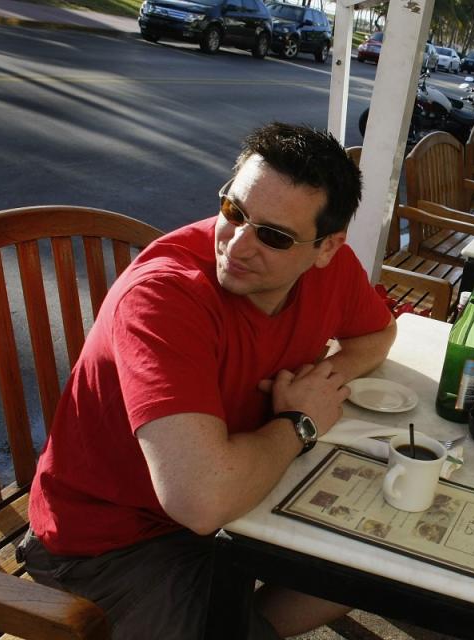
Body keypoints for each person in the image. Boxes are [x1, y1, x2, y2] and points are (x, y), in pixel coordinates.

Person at [19, 123, 397, 639]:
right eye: (234, 212)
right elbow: (201, 499)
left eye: (274, 235)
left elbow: (378, 333)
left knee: (380, 552)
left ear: (327, 248)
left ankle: (236, 622)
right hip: (105, 545)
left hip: (225, 511)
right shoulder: (163, 299)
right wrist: (300, 421)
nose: (238, 245)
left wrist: (323, 381)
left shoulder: (333, 270)